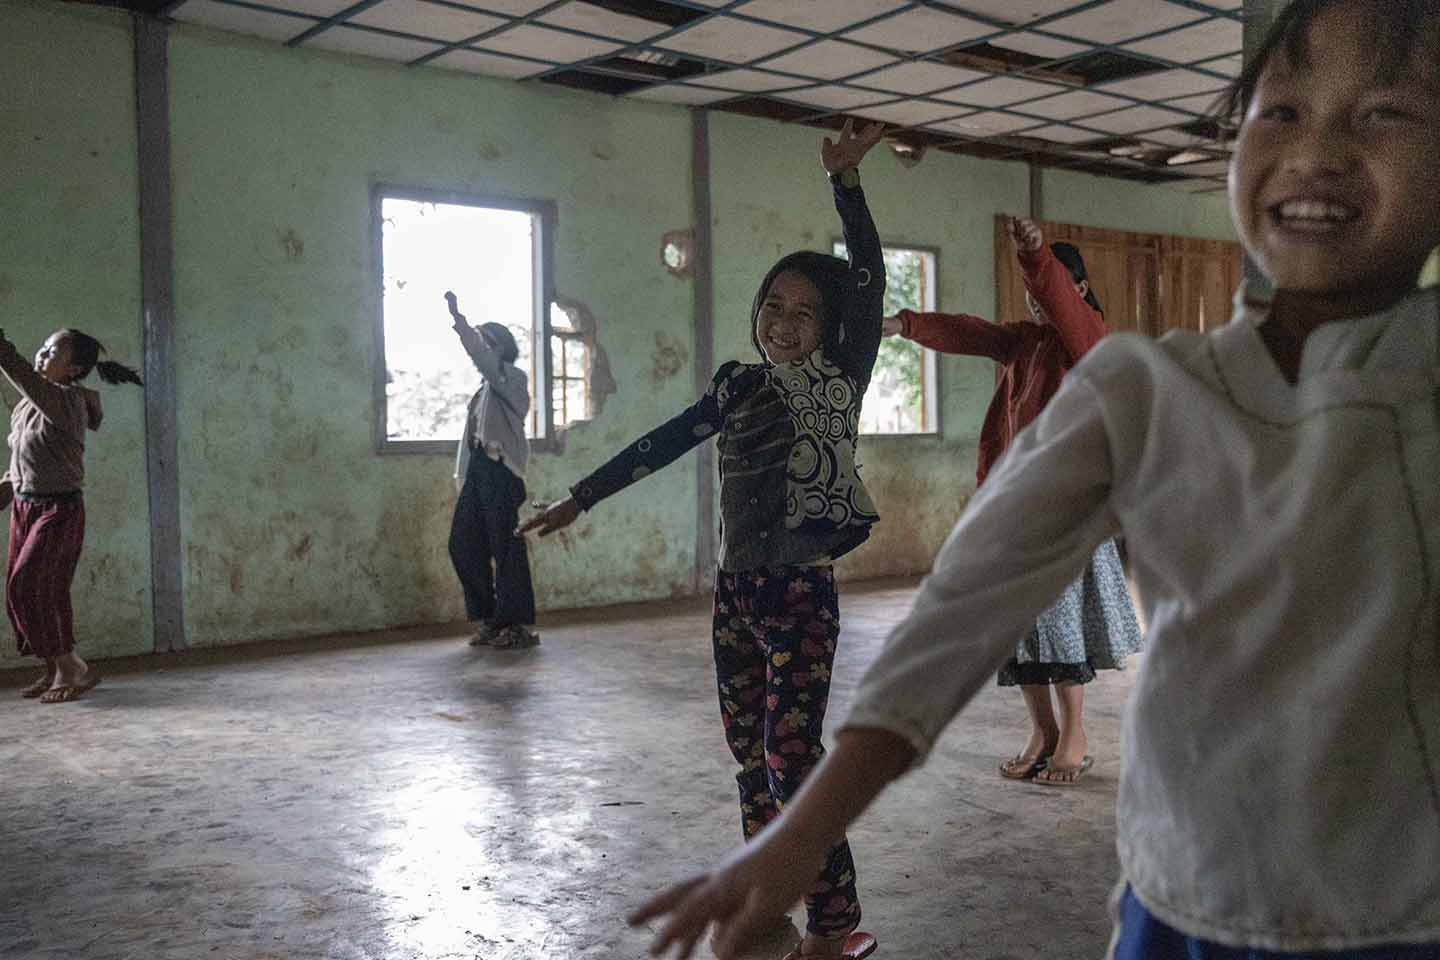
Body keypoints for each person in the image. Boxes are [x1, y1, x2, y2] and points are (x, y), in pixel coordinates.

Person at [629, 1, 1440, 957]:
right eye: (1282, 112)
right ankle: (1054, 738)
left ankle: (1069, 739)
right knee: (1032, 649)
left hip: (1406, 914)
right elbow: (956, 613)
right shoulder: (1148, 388)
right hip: (1183, 899)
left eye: (1384, 112)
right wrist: (795, 836)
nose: (1318, 153)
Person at [522, 120, 889, 960]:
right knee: (750, 759)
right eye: (774, 305)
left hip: (801, 592)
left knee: (794, 759)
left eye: (806, 312)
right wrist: (581, 496)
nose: (786, 323)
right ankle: (767, 906)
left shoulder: (840, 377)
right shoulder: (736, 385)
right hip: (737, 596)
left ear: (830, 327)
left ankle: (837, 926)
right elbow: (662, 440)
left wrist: (847, 188)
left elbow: (866, 282)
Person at [882, 219, 1139, 785]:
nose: (1039, 297)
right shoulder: (1023, 342)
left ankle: (1074, 734)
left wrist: (1035, 255)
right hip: (1011, 511)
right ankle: (1042, 732)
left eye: (1053, 287)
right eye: (1033, 290)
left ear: (1080, 288)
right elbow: (969, 332)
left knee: (1062, 625)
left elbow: (1060, 302)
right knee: (1019, 632)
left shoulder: (1090, 339)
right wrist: (905, 323)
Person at [1, 328, 142, 703]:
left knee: (32, 585)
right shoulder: (27, 406)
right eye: (42, 347)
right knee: (24, 594)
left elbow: (19, 372)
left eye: (52, 353)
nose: (41, 355)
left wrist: (2, 348)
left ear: (73, 368)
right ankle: (53, 668)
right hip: (25, 506)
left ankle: (72, 667)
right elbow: (20, 460)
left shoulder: (65, 402)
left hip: (59, 510)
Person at [446, 292, 538, 650]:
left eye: (486, 343)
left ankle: (515, 625)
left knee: (506, 548)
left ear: (499, 348)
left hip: (502, 473)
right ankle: (489, 619)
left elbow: (483, 359)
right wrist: (463, 479)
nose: (478, 351)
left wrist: (460, 321)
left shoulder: (512, 380)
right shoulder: (482, 391)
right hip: (481, 474)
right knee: (463, 543)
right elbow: (471, 441)